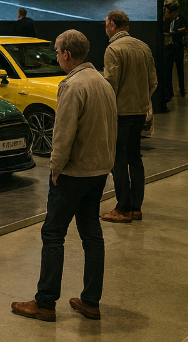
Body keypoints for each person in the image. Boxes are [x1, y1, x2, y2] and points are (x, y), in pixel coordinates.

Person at [12, 30, 117, 323]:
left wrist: (55, 168)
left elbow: (63, 133)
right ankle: (91, 301)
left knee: (53, 234)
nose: (57, 57)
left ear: (67, 54)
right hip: (99, 170)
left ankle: (45, 303)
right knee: (91, 233)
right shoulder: (103, 82)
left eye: (57, 52)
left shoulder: (72, 86)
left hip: (73, 172)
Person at [99, 10, 158, 223]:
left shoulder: (113, 49)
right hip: (140, 111)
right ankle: (136, 208)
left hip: (121, 113)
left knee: (118, 159)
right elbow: (153, 81)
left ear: (113, 25)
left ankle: (123, 208)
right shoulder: (143, 47)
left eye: (106, 24)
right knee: (135, 157)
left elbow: (110, 85)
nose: (105, 28)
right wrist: (142, 101)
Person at [164, 4, 186, 100]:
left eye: (168, 13)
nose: (167, 15)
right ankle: (170, 91)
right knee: (168, 69)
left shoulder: (179, 19)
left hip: (177, 46)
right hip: (170, 47)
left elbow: (184, 29)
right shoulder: (166, 21)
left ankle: (182, 89)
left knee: (179, 68)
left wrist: (178, 32)